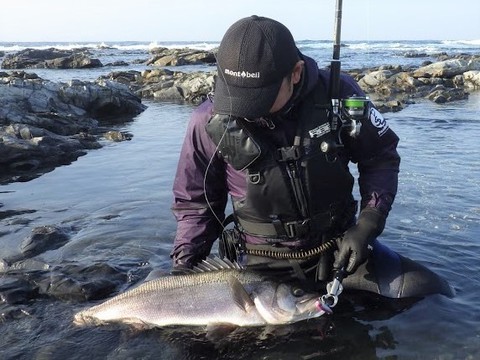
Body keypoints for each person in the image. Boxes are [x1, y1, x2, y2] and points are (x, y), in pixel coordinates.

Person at [170, 15, 453, 298]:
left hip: (340, 253)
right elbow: (195, 205)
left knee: (431, 293)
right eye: (237, 96)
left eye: (259, 97)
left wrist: (369, 221)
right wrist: (183, 271)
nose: (246, 110)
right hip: (255, 267)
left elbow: (380, 157)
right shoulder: (206, 120)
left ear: (295, 73)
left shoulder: (338, 94)